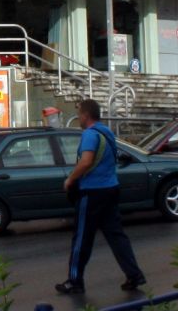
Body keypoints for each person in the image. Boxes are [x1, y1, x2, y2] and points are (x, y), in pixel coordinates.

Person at [54, 97, 146, 296]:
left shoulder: (89, 134)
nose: (78, 118)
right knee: (116, 235)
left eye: (79, 115)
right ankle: (134, 274)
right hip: (111, 189)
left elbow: (86, 161)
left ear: (86, 116)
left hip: (92, 192)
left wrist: (70, 179)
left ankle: (75, 281)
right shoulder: (107, 133)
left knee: (81, 238)